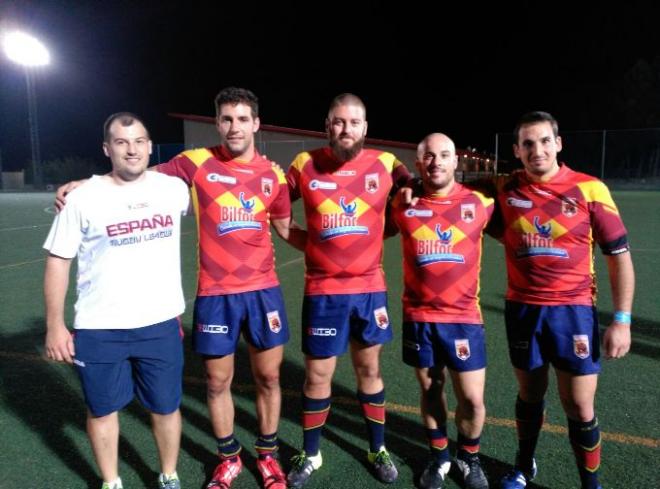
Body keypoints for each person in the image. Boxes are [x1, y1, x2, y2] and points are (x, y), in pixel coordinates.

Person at [54, 87, 304, 489]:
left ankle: (268, 456)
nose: (234, 127)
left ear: (256, 123)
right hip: (215, 295)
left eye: (242, 119)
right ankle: (227, 458)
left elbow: (285, 227)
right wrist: (85, 183)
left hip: (263, 291)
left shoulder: (273, 174)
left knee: (270, 379)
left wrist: (332, 248)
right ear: (217, 122)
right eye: (226, 118)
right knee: (217, 383)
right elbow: (135, 175)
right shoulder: (195, 163)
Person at [44, 112, 190, 489]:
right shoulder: (83, 198)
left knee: (166, 406)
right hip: (99, 327)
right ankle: (112, 481)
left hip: (159, 323)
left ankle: (168, 474)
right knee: (102, 408)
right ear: (107, 148)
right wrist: (55, 325)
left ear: (150, 146)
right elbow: (59, 260)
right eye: (122, 142)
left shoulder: (172, 189)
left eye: (139, 141)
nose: (132, 149)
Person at [496, 111, 634, 489]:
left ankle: (590, 484)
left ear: (558, 143)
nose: (536, 149)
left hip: (573, 313)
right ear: (516, 151)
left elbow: (619, 256)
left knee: (579, 405)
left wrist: (622, 319)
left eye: (543, 141)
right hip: (522, 310)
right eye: (527, 143)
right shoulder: (504, 189)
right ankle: (524, 467)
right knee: (529, 393)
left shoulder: (590, 189)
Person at [285, 93, 411, 487]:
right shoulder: (305, 165)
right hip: (322, 291)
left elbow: (415, 192)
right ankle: (311, 453)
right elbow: (274, 207)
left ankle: (377, 447)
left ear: (365, 128)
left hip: (369, 290)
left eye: (353, 122)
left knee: (369, 370)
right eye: (338, 122)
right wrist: (310, 243)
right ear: (327, 126)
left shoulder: (386, 164)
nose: (345, 129)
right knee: (317, 376)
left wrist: (385, 230)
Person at [388, 133, 492, 489]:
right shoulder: (402, 205)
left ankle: (469, 458)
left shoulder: (481, 202)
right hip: (419, 318)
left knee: (473, 400)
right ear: (419, 163)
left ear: (456, 161)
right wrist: (405, 185)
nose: (437, 162)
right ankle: (440, 458)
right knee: (431, 391)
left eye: (444, 155)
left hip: (464, 318)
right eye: (429, 157)